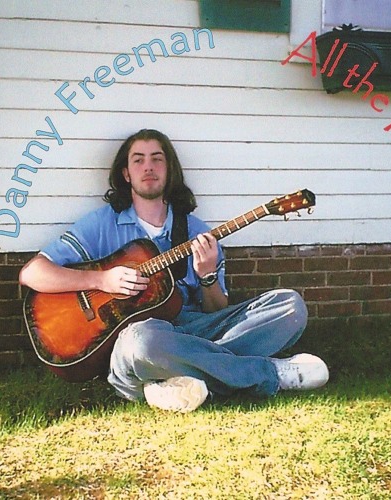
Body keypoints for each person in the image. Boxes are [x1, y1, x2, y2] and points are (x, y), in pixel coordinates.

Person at [19, 129, 329, 413]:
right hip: (140, 337)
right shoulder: (103, 224)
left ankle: (172, 377)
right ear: (126, 173)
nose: (148, 167)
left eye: (157, 159)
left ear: (169, 171)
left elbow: (216, 310)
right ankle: (269, 372)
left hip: (193, 329)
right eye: (138, 160)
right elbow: (32, 273)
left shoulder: (197, 232)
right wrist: (101, 279)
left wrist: (207, 276)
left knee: (290, 306)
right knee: (143, 342)